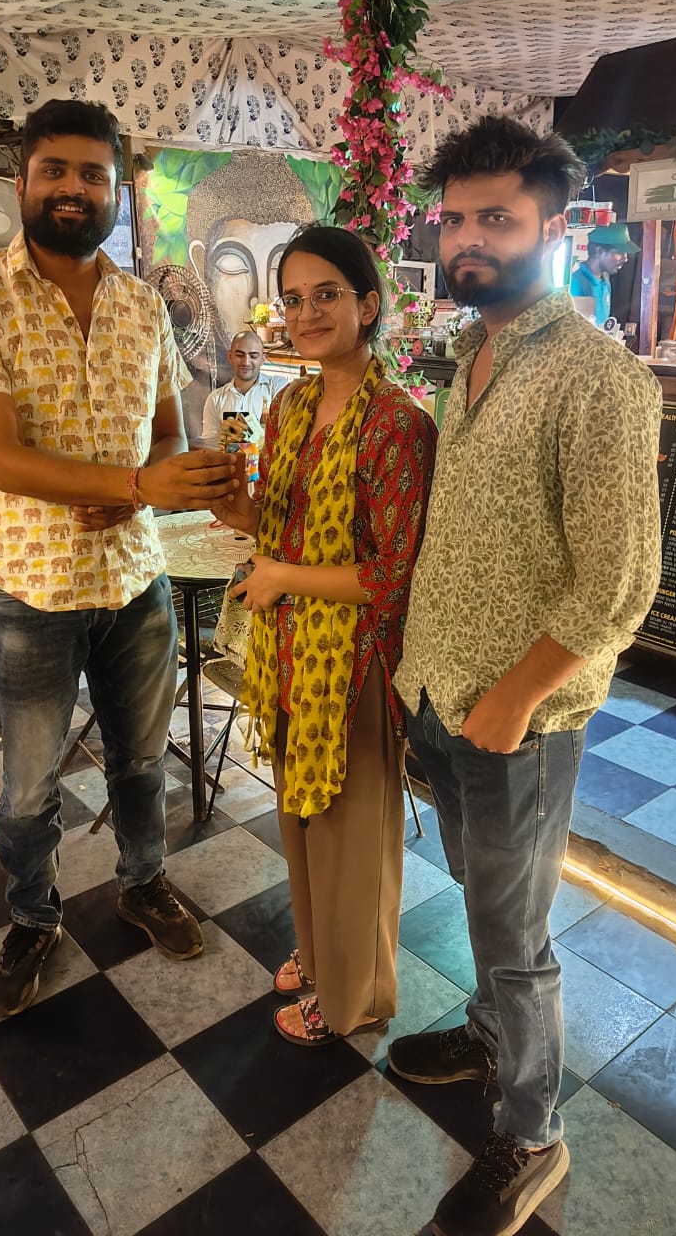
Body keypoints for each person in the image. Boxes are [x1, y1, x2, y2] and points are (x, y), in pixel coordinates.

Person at [389, 116, 662, 1235]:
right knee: (480, 897)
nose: (467, 238)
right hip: (443, 692)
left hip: (521, 718)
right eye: (454, 217)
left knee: (516, 933)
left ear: (557, 230)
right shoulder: (469, 360)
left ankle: (535, 1133)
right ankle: (491, 1035)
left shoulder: (599, 377)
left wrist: (514, 696)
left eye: (495, 218)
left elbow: (620, 583)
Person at [0, 99, 238, 1018]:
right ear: (22, 182)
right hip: (34, 588)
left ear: (116, 192)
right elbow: (1, 457)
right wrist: (133, 484)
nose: (74, 189)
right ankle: (34, 916)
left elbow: (167, 433)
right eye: (55, 171)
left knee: (140, 763)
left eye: (93, 175)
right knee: (29, 787)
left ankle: (143, 883)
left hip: (135, 579)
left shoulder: (143, 306)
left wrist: (144, 487)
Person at [212, 223, 437, 1046]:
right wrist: (235, 506)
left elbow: (393, 574)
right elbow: (285, 530)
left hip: (357, 661)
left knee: (353, 838)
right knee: (302, 820)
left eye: (327, 296)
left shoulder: (398, 423)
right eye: (294, 299)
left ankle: (357, 998)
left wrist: (282, 578)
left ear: (368, 305)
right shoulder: (291, 405)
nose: (306, 314)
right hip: (290, 651)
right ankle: (319, 956)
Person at [200, 328, 288, 447]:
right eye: (239, 355)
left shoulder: (276, 387)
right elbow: (209, 444)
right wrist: (223, 439)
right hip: (229, 459)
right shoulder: (215, 398)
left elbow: (287, 435)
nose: (246, 362)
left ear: (263, 359)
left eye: (253, 356)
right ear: (229, 356)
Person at [569, 221, 639, 327]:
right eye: (619, 252)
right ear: (600, 251)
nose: (625, 259)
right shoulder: (575, 284)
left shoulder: (605, 281)